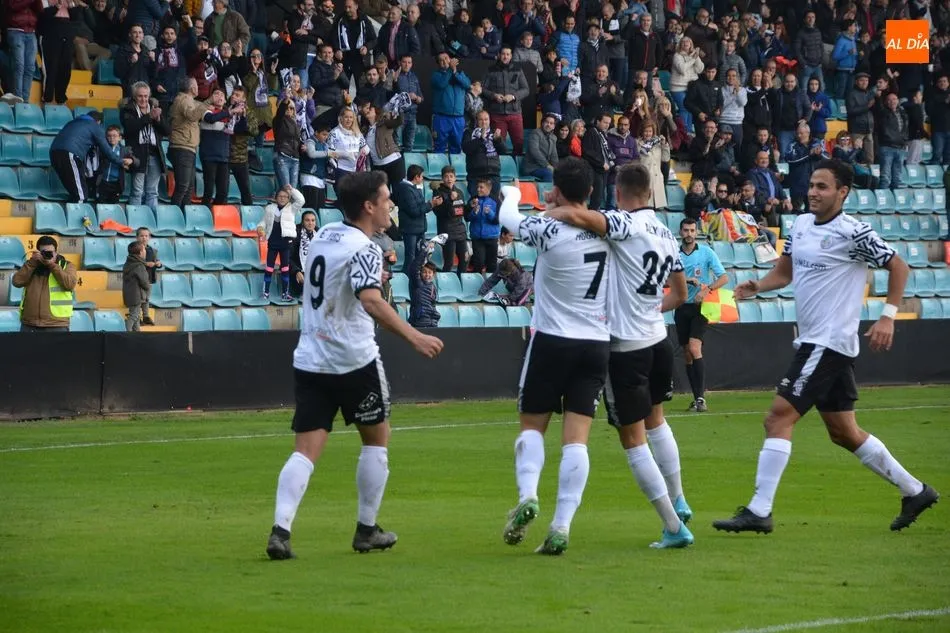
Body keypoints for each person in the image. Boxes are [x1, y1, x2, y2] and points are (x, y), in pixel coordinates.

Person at [713, 159, 940, 535]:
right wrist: (759, 285)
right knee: (843, 432)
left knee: (777, 418)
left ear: (843, 192)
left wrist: (887, 317)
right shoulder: (801, 224)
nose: (813, 192)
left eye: (822, 186)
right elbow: (785, 273)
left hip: (827, 342)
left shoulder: (853, 232)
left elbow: (899, 267)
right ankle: (915, 491)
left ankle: (759, 510)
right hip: (819, 340)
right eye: (812, 185)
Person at [265, 170, 444, 560]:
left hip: (311, 358)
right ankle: (366, 528)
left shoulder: (327, 234)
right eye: (385, 200)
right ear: (368, 206)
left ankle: (281, 530)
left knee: (305, 450)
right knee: (377, 441)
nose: (390, 206)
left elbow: (337, 279)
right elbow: (370, 300)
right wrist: (415, 336)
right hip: (353, 358)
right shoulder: (365, 249)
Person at [544, 163, 695, 548]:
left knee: (633, 437)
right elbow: (679, 293)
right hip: (659, 340)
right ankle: (679, 497)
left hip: (626, 347)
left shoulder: (625, 224)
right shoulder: (666, 232)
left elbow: (579, 215)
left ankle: (673, 526)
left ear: (620, 192)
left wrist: (549, 212)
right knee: (657, 421)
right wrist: (648, 309)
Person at [497, 157, 611, 555]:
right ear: (592, 191)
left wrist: (513, 191)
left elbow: (507, 214)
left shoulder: (548, 228)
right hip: (596, 342)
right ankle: (561, 526)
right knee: (576, 441)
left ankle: (528, 495)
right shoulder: (612, 230)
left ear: (557, 191)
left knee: (532, 428)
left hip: (551, 340)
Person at [675, 218, 728, 412]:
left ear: (696, 232)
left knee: (695, 347)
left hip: (701, 307)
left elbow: (724, 277)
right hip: (681, 307)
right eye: (685, 230)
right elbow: (664, 279)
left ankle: (701, 398)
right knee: (687, 354)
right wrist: (684, 279)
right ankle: (696, 397)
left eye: (692, 230)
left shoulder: (706, 252)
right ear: (680, 232)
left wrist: (706, 290)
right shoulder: (674, 254)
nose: (689, 233)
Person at [50, 111, 133, 203]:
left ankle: (68, 214)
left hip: (53, 153)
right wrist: (121, 161)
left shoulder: (72, 122)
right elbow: (107, 151)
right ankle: (79, 215)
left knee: (74, 192)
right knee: (80, 196)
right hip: (70, 154)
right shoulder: (94, 126)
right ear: (98, 122)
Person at [11, 235, 77, 332]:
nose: (47, 255)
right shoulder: (32, 265)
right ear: (38, 252)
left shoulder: (66, 266)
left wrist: (52, 265)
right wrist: (32, 263)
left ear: (56, 252)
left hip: (56, 324)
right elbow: (16, 282)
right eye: (44, 252)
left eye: (50, 252)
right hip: (30, 323)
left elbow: (69, 284)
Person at [122, 82, 169, 213]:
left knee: (152, 192)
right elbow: (130, 128)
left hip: (155, 154)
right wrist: (149, 117)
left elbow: (167, 131)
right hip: (137, 155)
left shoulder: (154, 108)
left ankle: (151, 223)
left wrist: (158, 119)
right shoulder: (128, 110)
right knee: (137, 191)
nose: (143, 99)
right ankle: (135, 220)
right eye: (140, 96)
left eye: (146, 96)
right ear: (134, 97)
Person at [169, 77, 212, 208]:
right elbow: (193, 115)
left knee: (188, 187)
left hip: (188, 148)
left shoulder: (190, 101)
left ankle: (184, 217)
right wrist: (209, 101)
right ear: (192, 88)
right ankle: (174, 217)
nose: (198, 88)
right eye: (197, 85)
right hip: (182, 147)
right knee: (183, 186)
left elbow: (199, 108)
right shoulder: (183, 100)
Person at [258, 185, 305, 301]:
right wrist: (260, 228)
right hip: (273, 241)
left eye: (285, 196)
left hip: (286, 242)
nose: (282, 198)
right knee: (269, 268)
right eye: (280, 196)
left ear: (288, 198)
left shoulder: (291, 208)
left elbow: (301, 200)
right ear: (276, 197)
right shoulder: (269, 208)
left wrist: (292, 190)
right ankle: (265, 293)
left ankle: (285, 293)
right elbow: (263, 222)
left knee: (285, 268)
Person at [431, 165, 468, 276]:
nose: (449, 179)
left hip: (460, 231)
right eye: (446, 176)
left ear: (455, 178)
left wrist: (470, 207)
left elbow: (462, 211)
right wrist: (450, 200)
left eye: (451, 176)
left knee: (465, 260)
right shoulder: (438, 193)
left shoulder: (460, 192)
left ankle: (460, 283)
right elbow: (439, 213)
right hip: (447, 232)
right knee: (449, 262)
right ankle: (445, 284)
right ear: (442, 178)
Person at [431, 52, 472, 154]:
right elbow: (441, 84)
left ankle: (454, 170)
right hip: (442, 117)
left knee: (457, 147)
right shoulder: (436, 75)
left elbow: (467, 85)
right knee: (439, 146)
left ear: (450, 59)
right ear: (438, 64)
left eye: (446, 58)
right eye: (441, 60)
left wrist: (454, 72)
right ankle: (439, 169)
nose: (444, 61)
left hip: (458, 118)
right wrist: (450, 70)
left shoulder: (460, 74)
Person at [407, 235, 443, 328]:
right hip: (419, 322)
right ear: (420, 273)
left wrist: (435, 317)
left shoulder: (432, 287)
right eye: (424, 272)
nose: (427, 275)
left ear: (433, 274)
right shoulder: (417, 283)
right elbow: (415, 268)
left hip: (432, 322)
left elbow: (433, 304)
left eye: (430, 272)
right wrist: (425, 250)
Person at [465, 179, 499, 274]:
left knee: (492, 265)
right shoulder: (472, 200)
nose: (478, 189)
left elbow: (499, 220)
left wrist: (490, 213)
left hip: (492, 238)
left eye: (481, 187)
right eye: (478, 187)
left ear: (489, 188)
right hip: (477, 238)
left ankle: (490, 287)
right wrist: (474, 212)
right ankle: (477, 286)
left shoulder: (496, 200)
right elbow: (466, 218)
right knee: (478, 263)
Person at [136, 227, 161, 325]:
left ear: (149, 237)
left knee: (146, 298)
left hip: (149, 278)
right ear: (137, 237)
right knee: (139, 298)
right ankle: (137, 317)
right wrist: (146, 264)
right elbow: (133, 262)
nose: (144, 238)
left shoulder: (153, 250)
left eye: (146, 236)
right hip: (138, 278)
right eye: (141, 236)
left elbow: (156, 261)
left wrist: (158, 264)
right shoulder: (134, 249)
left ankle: (145, 316)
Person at [123, 242, 150, 332]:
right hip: (136, 295)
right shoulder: (139, 266)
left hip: (130, 294)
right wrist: (148, 287)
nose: (145, 251)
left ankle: (137, 333)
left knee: (137, 315)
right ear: (140, 253)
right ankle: (127, 331)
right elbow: (144, 282)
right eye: (144, 250)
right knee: (134, 315)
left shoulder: (129, 263)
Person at [289, 210, 317, 298]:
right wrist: (296, 271)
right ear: (302, 222)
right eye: (307, 220)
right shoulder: (294, 233)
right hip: (299, 271)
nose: (310, 223)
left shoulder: (319, 233)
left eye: (313, 220)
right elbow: (287, 257)